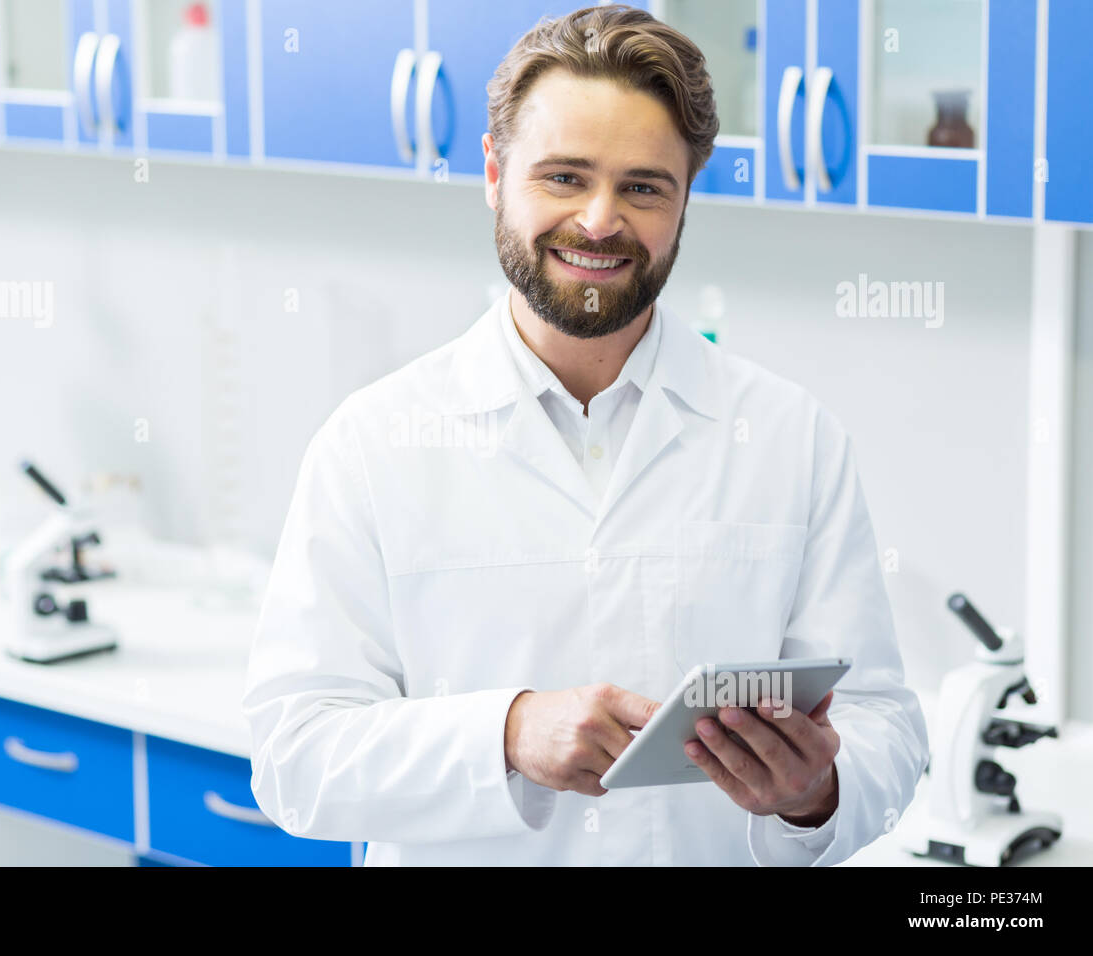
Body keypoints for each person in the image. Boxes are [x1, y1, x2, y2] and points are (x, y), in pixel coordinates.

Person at [242, 3, 929, 866]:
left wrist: (816, 794)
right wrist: (508, 733)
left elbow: (884, 724)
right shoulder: (372, 444)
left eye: (643, 186)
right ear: (494, 173)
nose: (601, 221)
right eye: (563, 177)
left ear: (684, 201)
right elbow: (294, 756)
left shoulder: (791, 438)